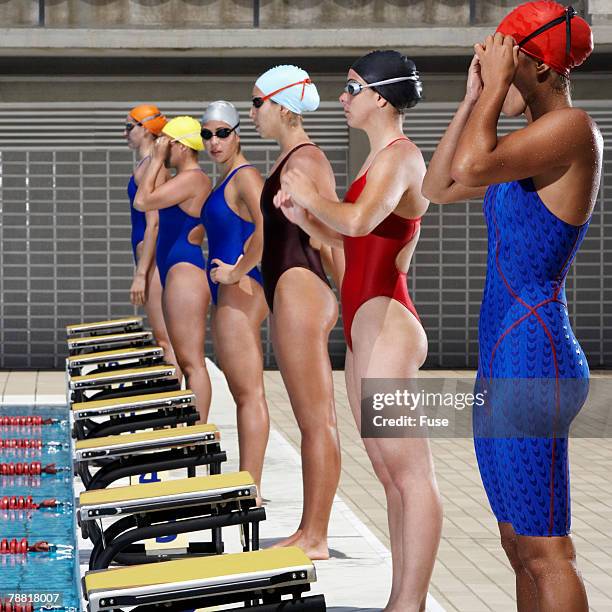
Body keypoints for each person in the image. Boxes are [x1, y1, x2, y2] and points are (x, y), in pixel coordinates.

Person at [422, 4, 602, 611]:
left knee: (547, 549)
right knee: (516, 543)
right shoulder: (520, 148)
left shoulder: (571, 129)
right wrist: (476, 97)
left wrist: (494, 90)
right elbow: (439, 185)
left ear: (542, 68)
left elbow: (470, 164)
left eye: (507, 55)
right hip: (504, 357)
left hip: (535, 355)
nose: (490, 62)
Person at [275, 51, 441, 612]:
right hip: (366, 329)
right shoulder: (377, 161)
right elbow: (351, 237)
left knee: (411, 476)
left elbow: (359, 221)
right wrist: (305, 217)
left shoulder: (402, 157)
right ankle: (402, 599)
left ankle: (409, 604)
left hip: (390, 325)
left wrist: (309, 193)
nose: (342, 99)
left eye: (351, 88)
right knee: (391, 477)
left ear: (380, 97)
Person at [251, 64, 341, 559]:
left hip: (300, 289)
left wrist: (356, 304)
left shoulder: (303, 162)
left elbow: (334, 235)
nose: (252, 113)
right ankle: (310, 528)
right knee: (313, 418)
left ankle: (317, 535)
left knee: (316, 420)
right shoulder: (291, 160)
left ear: (283, 107)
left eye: (258, 102)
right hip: (292, 287)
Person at [201, 101, 270, 503]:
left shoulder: (245, 177)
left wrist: (238, 270)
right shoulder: (228, 178)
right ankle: (249, 484)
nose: (214, 141)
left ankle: (250, 488)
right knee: (245, 390)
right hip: (234, 290)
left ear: (238, 132)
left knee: (248, 393)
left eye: (222, 132)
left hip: (241, 291)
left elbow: (268, 228)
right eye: (207, 134)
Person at [135, 116, 213, 422]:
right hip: (173, 268)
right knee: (180, 357)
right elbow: (146, 188)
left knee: (192, 361)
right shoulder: (181, 178)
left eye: (166, 141)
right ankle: (182, 422)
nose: (161, 146)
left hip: (185, 270)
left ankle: (197, 432)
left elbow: (143, 201)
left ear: (180, 146)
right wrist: (156, 160)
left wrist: (155, 159)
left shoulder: (194, 179)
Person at [124, 104, 181, 380]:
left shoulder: (152, 168)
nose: (124, 134)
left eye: (128, 127)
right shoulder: (146, 165)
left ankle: (178, 414)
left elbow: (154, 223)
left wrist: (141, 274)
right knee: (164, 340)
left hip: (155, 260)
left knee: (166, 341)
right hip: (150, 259)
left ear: (145, 129)